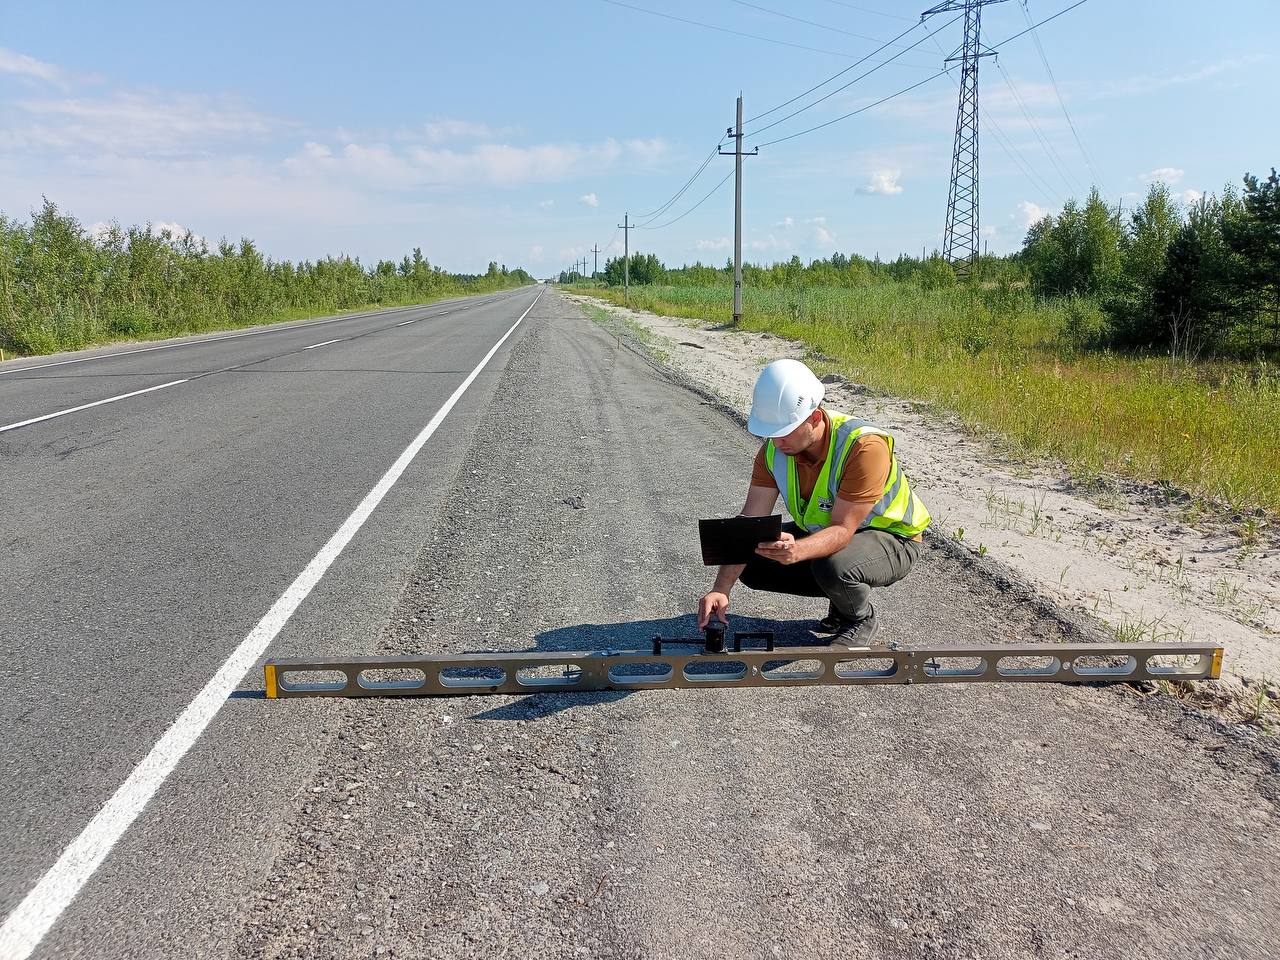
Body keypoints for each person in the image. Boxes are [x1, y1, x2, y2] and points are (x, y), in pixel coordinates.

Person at [696, 358, 931, 646]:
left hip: (894, 539)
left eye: (784, 432)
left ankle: (860, 618)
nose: (776, 442)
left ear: (815, 418)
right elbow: (750, 523)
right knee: (754, 555)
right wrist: (721, 589)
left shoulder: (864, 447)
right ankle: (841, 596)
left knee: (833, 566)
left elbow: (843, 530)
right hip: (836, 537)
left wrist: (798, 551)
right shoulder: (773, 451)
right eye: (771, 433)